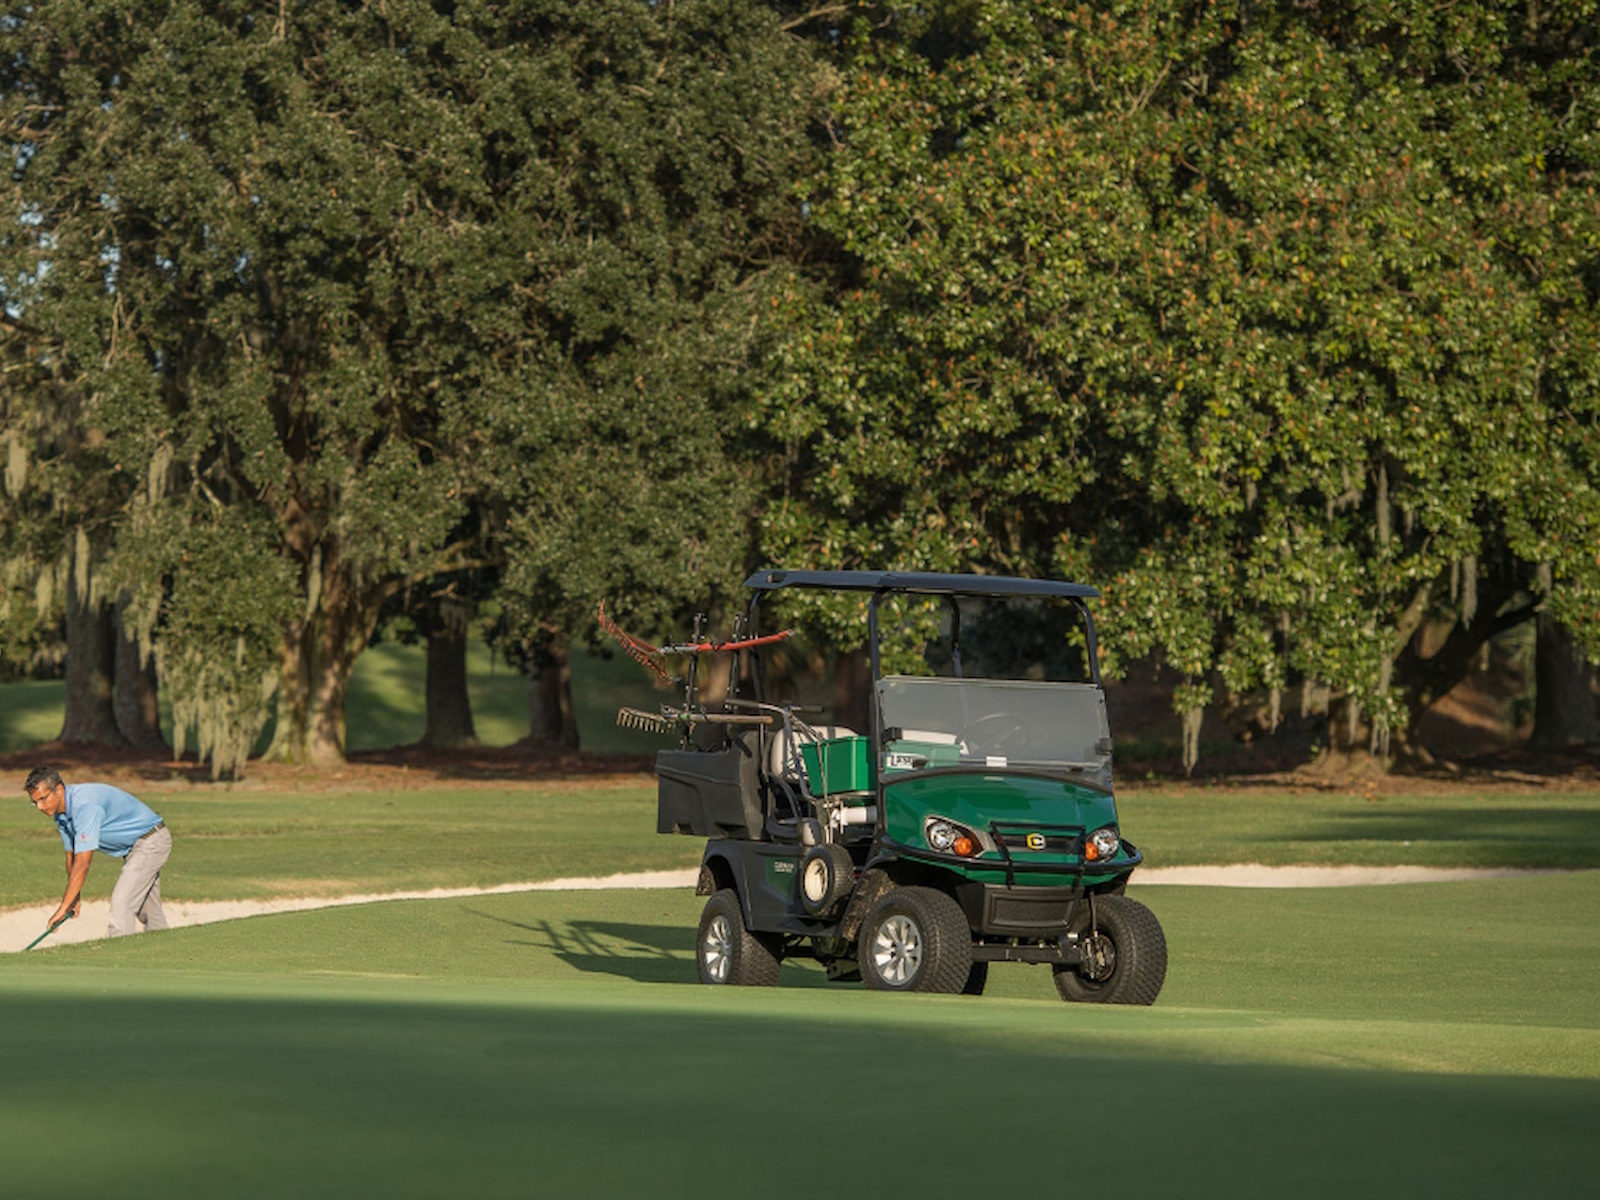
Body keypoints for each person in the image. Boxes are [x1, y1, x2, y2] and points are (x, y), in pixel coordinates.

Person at [23, 766, 171, 938]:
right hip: (136, 847)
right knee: (150, 911)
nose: (40, 807)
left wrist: (63, 908)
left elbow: (83, 863)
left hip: (151, 840)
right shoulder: (60, 814)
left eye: (43, 799)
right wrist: (74, 897)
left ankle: (120, 954)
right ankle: (165, 948)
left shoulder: (84, 806)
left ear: (59, 790)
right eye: (35, 802)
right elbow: (72, 854)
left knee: (122, 904)